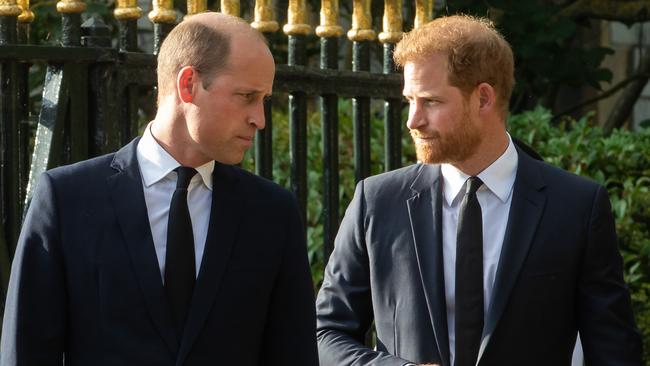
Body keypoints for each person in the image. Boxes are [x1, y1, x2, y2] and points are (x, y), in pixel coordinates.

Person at [316, 14, 642, 366]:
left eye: (431, 101)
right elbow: (325, 333)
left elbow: (614, 351)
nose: (413, 120)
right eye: (410, 100)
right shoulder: (377, 202)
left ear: (483, 98)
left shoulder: (576, 207)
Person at [1, 12, 318, 366]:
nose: (259, 118)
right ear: (188, 85)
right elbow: (26, 352)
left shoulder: (272, 213)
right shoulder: (67, 198)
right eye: (247, 96)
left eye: (264, 100)